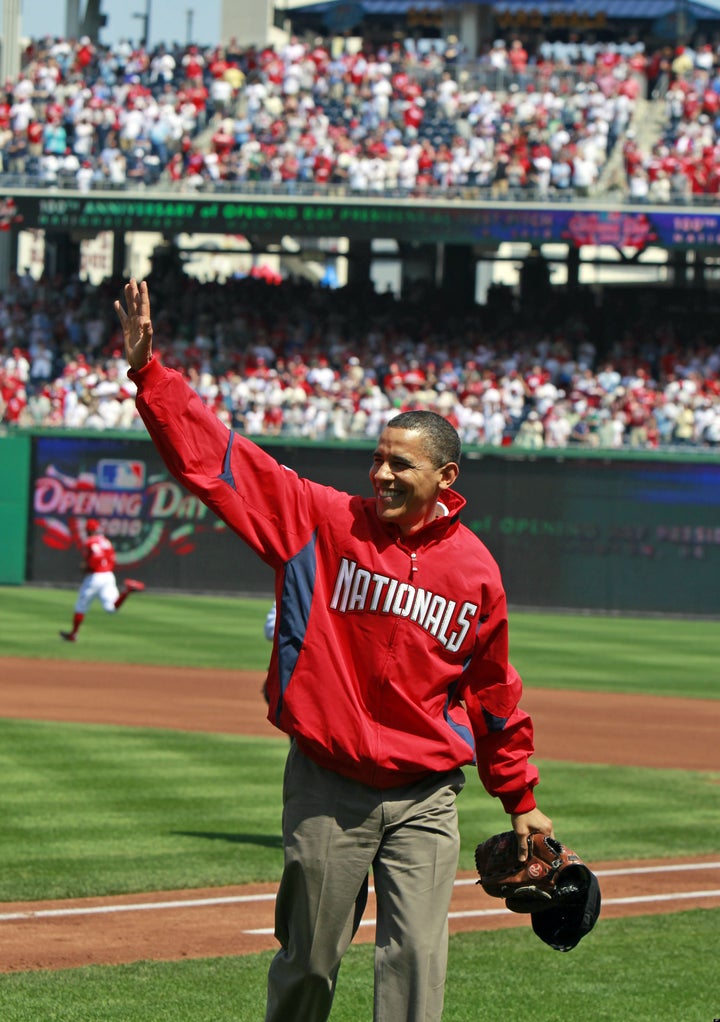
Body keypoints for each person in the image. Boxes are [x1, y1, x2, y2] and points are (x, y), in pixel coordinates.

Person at [115, 279, 555, 1022]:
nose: (381, 473)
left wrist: (521, 799)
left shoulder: (476, 570)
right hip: (330, 787)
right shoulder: (322, 521)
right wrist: (151, 376)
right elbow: (221, 467)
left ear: (445, 478)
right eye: (379, 458)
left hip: (425, 796)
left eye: (400, 465)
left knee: (415, 964)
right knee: (309, 963)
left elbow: (491, 691)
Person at [59, 518, 145, 641]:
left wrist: (84, 567)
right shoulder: (106, 542)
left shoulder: (90, 542)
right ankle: (126, 591)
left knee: (80, 607)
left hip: (95, 577)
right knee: (111, 608)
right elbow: (112, 559)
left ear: (88, 530)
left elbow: (93, 561)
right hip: (108, 575)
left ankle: (73, 634)